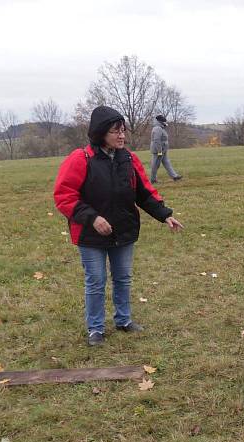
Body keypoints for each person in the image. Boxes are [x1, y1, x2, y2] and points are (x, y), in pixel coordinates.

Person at [54, 106, 184, 346]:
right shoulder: (81, 159)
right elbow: (64, 196)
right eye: (116, 131)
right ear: (101, 133)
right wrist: (92, 218)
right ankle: (95, 329)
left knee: (123, 277)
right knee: (96, 279)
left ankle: (123, 320)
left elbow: (144, 193)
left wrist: (164, 214)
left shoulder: (129, 159)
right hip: (90, 234)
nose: (122, 135)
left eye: (123, 130)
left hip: (123, 230)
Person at [150, 114, 182, 183]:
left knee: (167, 163)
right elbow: (156, 140)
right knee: (155, 165)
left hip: (163, 150)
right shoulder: (157, 128)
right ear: (160, 122)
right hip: (159, 150)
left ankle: (174, 176)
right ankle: (153, 180)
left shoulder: (161, 127)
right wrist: (159, 151)